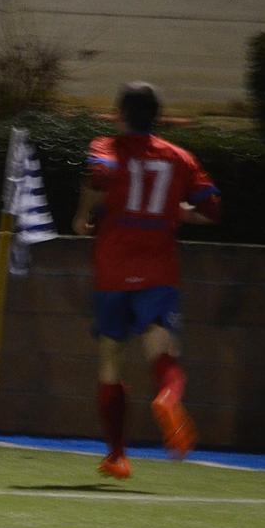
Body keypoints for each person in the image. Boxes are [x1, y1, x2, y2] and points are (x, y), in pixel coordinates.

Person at [75, 82, 219, 480]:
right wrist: (179, 212)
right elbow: (212, 209)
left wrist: (83, 215)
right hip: (157, 268)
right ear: (157, 117)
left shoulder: (106, 146)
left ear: (121, 114)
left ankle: (117, 455)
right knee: (162, 351)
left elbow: (98, 175)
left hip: (113, 267)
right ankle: (168, 398)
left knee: (111, 359)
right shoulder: (179, 157)